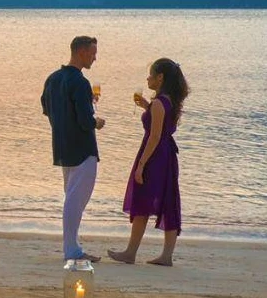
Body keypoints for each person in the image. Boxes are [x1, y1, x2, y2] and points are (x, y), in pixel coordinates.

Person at [108, 58, 189, 266]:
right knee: (168, 200)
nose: (148, 78)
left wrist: (141, 165)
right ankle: (165, 256)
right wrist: (147, 106)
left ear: (160, 78)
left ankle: (131, 252)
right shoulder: (166, 101)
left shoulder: (160, 103)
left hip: (155, 156)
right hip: (166, 155)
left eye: (151, 74)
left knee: (142, 200)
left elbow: (154, 136)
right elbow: (161, 125)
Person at [41, 36, 106, 262]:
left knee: (72, 196)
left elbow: (46, 108)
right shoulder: (79, 82)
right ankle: (71, 249)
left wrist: (86, 104)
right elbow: (85, 121)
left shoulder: (53, 79)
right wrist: (96, 122)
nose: (95, 57)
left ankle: (72, 245)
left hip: (61, 145)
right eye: (92, 53)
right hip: (82, 147)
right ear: (80, 52)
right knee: (76, 199)